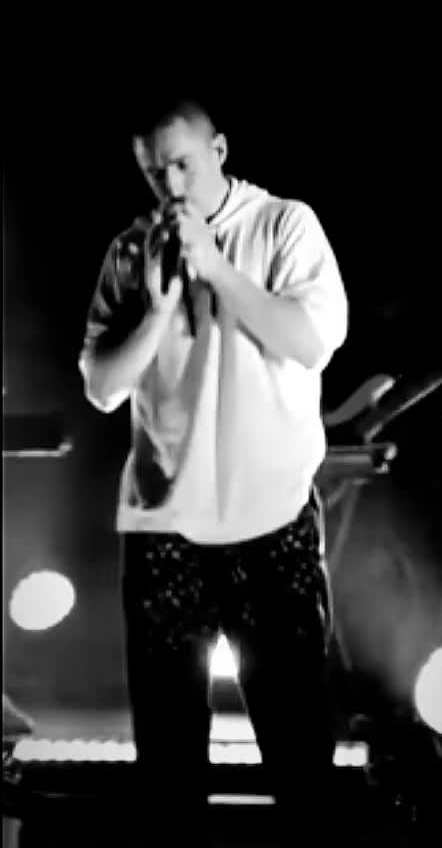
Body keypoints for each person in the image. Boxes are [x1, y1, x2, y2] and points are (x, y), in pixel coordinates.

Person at [79, 96, 348, 846]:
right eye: (153, 171)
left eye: (183, 164)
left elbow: (310, 342)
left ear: (220, 150)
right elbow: (102, 387)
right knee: (168, 761)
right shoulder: (130, 252)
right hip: (164, 524)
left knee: (298, 746)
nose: (171, 185)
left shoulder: (284, 224)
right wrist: (159, 309)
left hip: (271, 518)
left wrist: (218, 269)